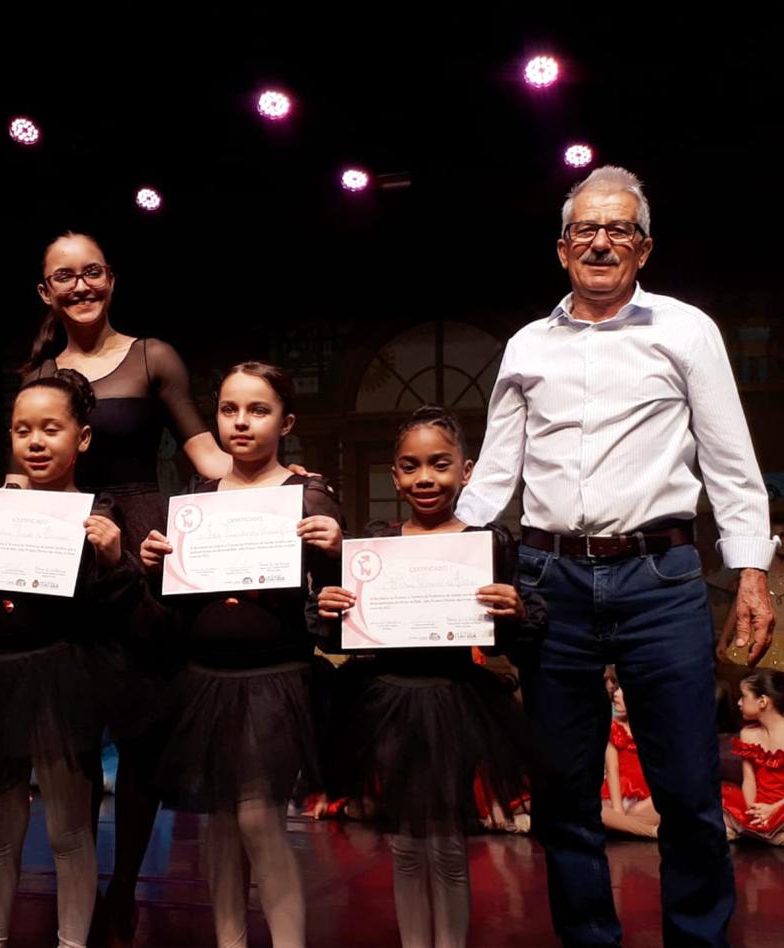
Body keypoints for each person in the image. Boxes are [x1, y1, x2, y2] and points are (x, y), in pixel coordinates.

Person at [457, 164, 778, 945]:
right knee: (564, 797)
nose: (600, 242)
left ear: (644, 248)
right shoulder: (526, 345)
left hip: (659, 577)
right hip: (547, 581)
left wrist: (751, 576)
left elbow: (729, 465)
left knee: (688, 793)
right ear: (561, 248)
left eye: (619, 230)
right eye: (585, 230)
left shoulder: (685, 328)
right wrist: (451, 571)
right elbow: (495, 472)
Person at [19, 231, 231, 945]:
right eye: (63, 278)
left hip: (138, 541)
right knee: (71, 715)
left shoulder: (151, 356)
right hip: (65, 538)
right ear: (45, 291)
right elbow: (24, 460)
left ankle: (122, 886)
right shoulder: (39, 370)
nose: (80, 287)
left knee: (142, 722)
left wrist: (270, 482)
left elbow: (202, 450)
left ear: (111, 278)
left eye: (92, 273)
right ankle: (81, 882)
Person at [0, 370, 144, 948]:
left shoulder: (101, 512)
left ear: (84, 438)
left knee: (71, 830)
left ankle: (74, 942)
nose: (36, 441)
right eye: (23, 430)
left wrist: (115, 559)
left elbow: (119, 612)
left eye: (52, 428)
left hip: (61, 676)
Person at [317, 406, 538, 948]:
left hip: (453, 703)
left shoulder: (489, 544)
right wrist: (329, 606)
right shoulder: (375, 544)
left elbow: (513, 638)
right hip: (384, 703)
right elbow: (337, 634)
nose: (425, 479)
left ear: (466, 471)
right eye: (411, 467)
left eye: (439, 465)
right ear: (395, 475)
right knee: (404, 845)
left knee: (448, 846)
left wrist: (516, 611)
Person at [140, 361, 343, 948]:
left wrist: (332, 547)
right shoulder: (199, 498)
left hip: (272, 680)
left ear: (286, 422)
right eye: (229, 409)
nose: (242, 422)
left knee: (259, 817)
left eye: (259, 410)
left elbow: (334, 588)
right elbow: (177, 603)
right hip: (206, 682)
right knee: (220, 826)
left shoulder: (307, 492)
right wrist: (158, 567)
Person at [721, 669, 784, 844]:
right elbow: (749, 779)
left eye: (743, 696)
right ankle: (765, 835)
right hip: (760, 804)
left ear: (763, 701)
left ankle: (766, 836)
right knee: (716, 802)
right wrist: (752, 810)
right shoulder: (748, 734)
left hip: (781, 805)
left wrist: (773, 809)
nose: (739, 703)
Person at [599, 668, 659, 839]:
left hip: (647, 799)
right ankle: (650, 832)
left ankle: (624, 827)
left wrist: (644, 805)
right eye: (615, 689)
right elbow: (612, 769)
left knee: (673, 805)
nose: (616, 694)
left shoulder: (652, 729)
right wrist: (618, 811)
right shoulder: (612, 726)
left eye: (621, 689)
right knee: (596, 810)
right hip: (617, 798)